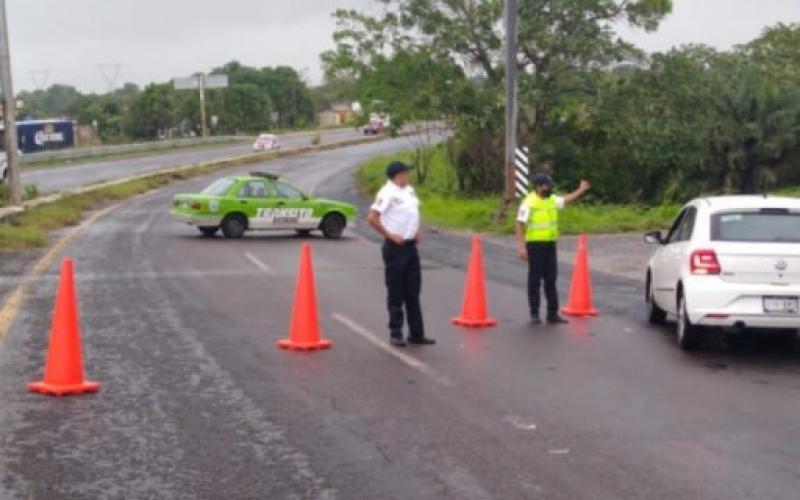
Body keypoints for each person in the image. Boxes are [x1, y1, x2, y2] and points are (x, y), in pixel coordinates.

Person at [367, 161, 436, 347]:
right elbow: (372, 218)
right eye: (406, 173)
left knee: (413, 292)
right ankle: (396, 332)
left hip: (411, 246)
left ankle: (417, 333)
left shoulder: (409, 190)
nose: (408, 176)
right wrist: (389, 234)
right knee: (396, 291)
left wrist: (416, 230)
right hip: (395, 248)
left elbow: (413, 213)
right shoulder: (387, 192)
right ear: (398, 175)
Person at [516, 174, 590, 324]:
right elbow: (519, 224)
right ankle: (534, 313)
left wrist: (580, 190)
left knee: (551, 279)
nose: (548, 188)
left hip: (550, 245)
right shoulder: (529, 202)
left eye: (549, 185)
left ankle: (552, 313)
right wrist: (521, 247)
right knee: (535, 280)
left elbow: (565, 199)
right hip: (535, 245)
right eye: (545, 186)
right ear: (537, 187)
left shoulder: (551, 199)